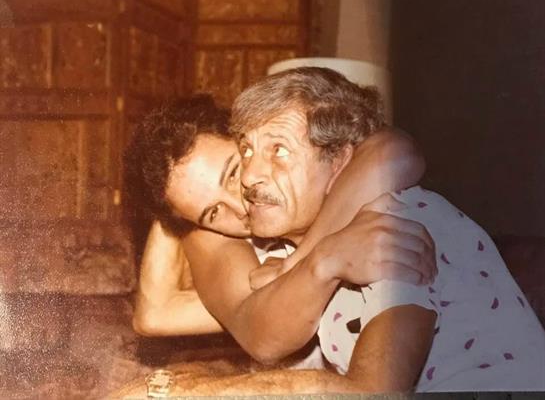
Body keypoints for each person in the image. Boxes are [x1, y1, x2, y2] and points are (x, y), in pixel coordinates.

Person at [226, 67, 545, 391]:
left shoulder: (397, 219)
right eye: (246, 150)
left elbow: (378, 391)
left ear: (340, 161)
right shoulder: (292, 245)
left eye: (279, 150)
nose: (249, 175)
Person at [115, 91, 436, 395]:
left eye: (233, 173)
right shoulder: (233, 241)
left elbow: (394, 151)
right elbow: (156, 315)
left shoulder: (353, 192)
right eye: (213, 212)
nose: (241, 206)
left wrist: (305, 259)